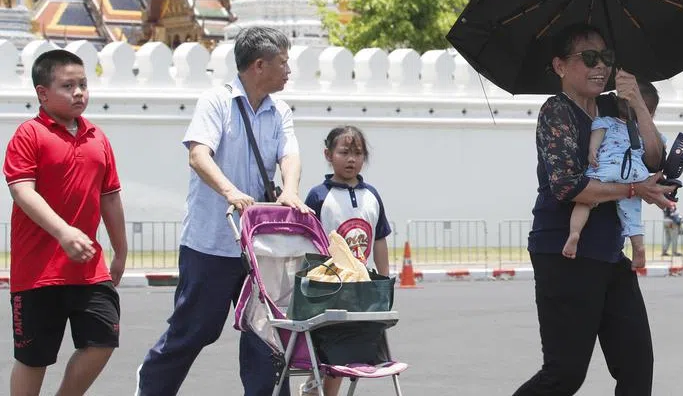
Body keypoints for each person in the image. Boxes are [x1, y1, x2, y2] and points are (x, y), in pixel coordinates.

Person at [136, 26, 311, 396]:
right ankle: (151, 386)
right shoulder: (216, 102)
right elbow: (198, 155)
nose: (289, 70)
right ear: (259, 65)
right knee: (195, 329)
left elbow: (289, 154)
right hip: (211, 242)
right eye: (283, 63)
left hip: (261, 248)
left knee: (266, 337)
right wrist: (231, 191)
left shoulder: (280, 110)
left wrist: (291, 192)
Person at [513, 23, 675, 396]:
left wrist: (636, 103)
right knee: (565, 373)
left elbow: (653, 158)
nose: (599, 67)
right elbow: (568, 186)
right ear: (560, 66)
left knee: (637, 366)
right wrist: (634, 190)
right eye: (588, 58)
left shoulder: (610, 106)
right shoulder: (557, 112)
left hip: (608, 250)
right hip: (564, 252)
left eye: (606, 58)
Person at [4, 49, 127, 396]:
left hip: (89, 269)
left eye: (83, 84)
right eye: (68, 85)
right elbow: (21, 191)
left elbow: (111, 197)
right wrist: (63, 231)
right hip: (37, 273)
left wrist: (119, 251)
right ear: (42, 93)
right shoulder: (29, 135)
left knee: (103, 340)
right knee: (34, 358)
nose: (79, 92)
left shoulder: (97, 137)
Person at [300, 126, 392, 396]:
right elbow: (308, 242)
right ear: (328, 155)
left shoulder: (372, 195)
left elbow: (379, 239)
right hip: (327, 287)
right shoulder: (318, 196)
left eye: (358, 153)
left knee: (347, 348)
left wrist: (383, 282)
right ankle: (312, 387)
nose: (351, 159)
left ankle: (324, 392)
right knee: (324, 344)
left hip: (361, 287)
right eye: (344, 152)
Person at [563, 93, 651, 267]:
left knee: (585, 200)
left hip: (608, 166)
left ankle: (574, 233)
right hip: (633, 171)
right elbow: (657, 148)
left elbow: (597, 136)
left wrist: (592, 151)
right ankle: (638, 247)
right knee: (632, 213)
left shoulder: (607, 121)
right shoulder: (642, 130)